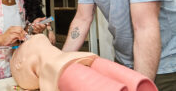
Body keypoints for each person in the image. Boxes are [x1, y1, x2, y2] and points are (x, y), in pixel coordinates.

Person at [10, 34, 157, 91]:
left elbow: (27, 83)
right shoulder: (40, 39)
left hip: (62, 69)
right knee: (132, 82)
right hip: (82, 59)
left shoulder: (20, 59)